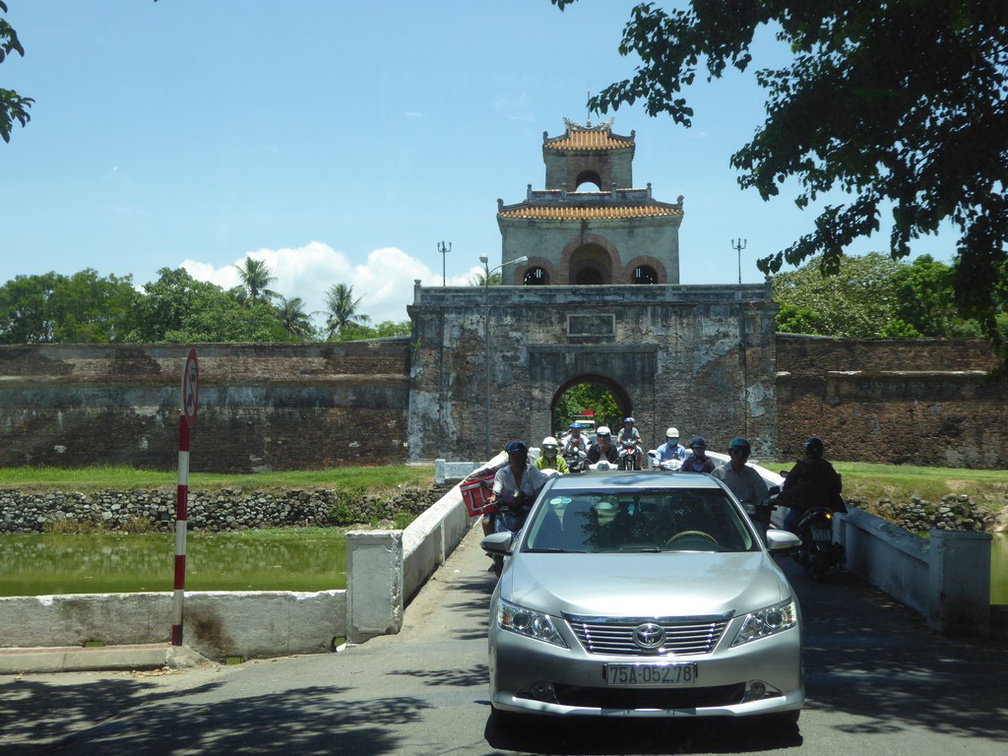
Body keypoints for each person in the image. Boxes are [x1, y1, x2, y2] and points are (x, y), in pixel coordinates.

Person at [482, 440, 551, 536]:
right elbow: (496, 490)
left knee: (550, 520)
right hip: (507, 508)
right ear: (509, 458)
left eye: (519, 456)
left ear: (524, 457)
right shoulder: (502, 473)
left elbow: (538, 489)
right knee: (486, 522)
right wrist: (493, 498)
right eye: (513, 455)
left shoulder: (532, 472)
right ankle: (490, 549)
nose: (516, 459)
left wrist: (537, 498)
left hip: (528, 508)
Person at [781, 436, 846, 532]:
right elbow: (838, 487)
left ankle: (787, 546)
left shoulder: (802, 466)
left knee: (789, 523)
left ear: (807, 450)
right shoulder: (827, 467)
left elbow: (788, 484)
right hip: (824, 506)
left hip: (803, 506)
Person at [713, 437, 771, 536]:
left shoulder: (752, 474)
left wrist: (766, 503)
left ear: (748, 455)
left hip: (748, 518)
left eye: (744, 453)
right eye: (736, 452)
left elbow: (762, 495)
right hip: (725, 516)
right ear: (730, 453)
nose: (740, 456)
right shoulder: (719, 473)